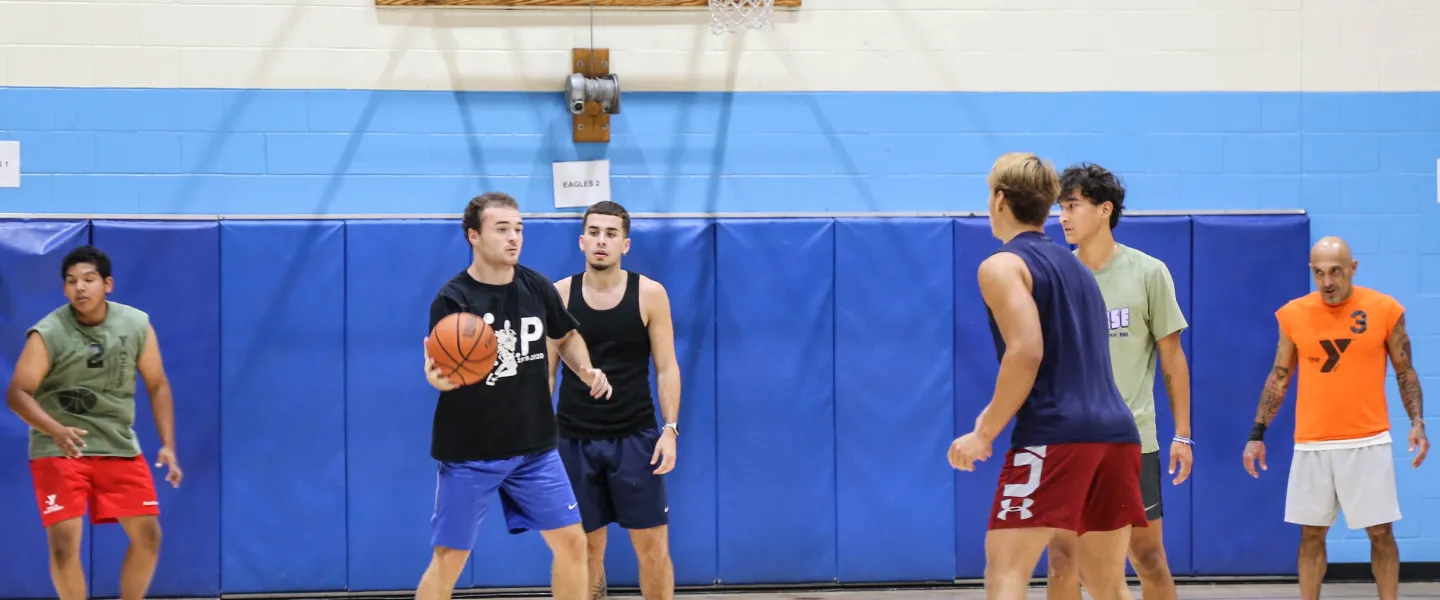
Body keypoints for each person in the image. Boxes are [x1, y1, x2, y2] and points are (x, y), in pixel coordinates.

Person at [948, 152, 1148, 600]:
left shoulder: (1001, 265)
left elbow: (1025, 351)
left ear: (1000, 199)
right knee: (1106, 585)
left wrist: (984, 432)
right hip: (1117, 435)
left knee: (1006, 567)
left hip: (1056, 433)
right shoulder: (1079, 269)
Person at [416, 192, 614, 600]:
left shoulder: (536, 285)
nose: (514, 238)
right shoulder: (453, 299)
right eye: (502, 229)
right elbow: (438, 365)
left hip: (535, 449)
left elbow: (566, 335)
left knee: (573, 544)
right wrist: (438, 379)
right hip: (472, 451)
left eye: (519, 228)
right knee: (449, 557)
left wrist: (585, 368)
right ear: (474, 235)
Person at [1243, 236, 1428, 600]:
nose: (1327, 282)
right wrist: (1256, 433)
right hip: (1313, 442)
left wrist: (1418, 422)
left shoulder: (1386, 309)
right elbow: (1279, 376)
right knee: (1311, 534)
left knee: (1380, 533)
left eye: (1336, 272)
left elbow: (1406, 372)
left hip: (1368, 441)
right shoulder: (1293, 314)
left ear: (1353, 269)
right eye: (1319, 273)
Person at [6, 245, 183, 600]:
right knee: (62, 545)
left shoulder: (136, 324)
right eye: (71, 282)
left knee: (149, 537)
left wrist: (168, 445)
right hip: (59, 446)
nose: (80, 288)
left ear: (108, 284)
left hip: (116, 443)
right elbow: (17, 394)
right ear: (64, 289)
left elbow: (158, 384)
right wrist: (54, 428)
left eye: (89, 280)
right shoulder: (48, 332)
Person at [1050, 163, 1192, 600]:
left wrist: (1183, 436)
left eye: (1073, 205)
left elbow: (1172, 359)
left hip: (1132, 443)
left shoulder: (1149, 273)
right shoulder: (1055, 277)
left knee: (1148, 558)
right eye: (1060, 207)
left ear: (1105, 210)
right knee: (1063, 563)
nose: (1063, 217)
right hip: (1070, 446)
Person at [547, 200, 682, 600]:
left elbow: (667, 367)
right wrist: (537, 438)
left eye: (610, 234)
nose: (601, 241)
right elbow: (546, 374)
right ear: (581, 241)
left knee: (653, 550)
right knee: (585, 549)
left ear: (625, 244)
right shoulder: (559, 294)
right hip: (573, 440)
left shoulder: (650, 294)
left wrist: (670, 430)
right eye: (594, 232)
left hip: (634, 439)